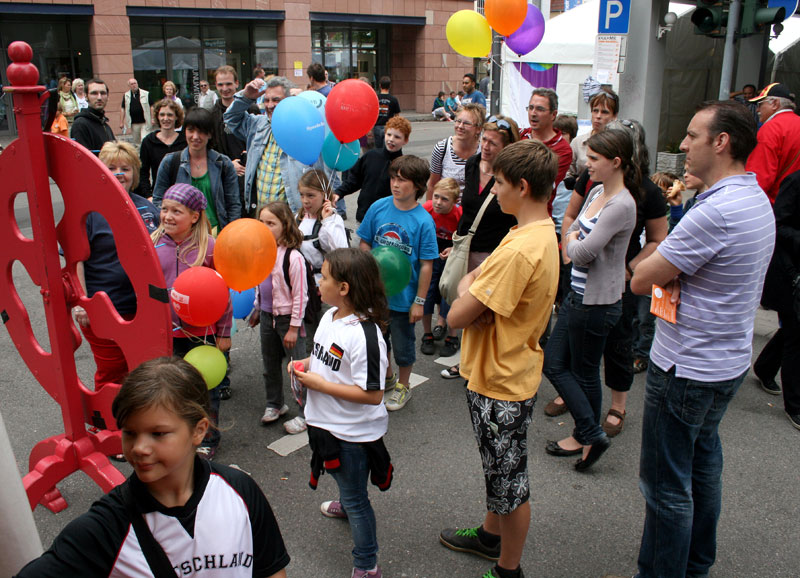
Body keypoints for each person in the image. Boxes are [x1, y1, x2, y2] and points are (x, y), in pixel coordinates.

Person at [629, 100, 775, 578]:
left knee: (665, 486)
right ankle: (695, 565)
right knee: (702, 467)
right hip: (724, 362)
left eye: (692, 136)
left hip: (686, 366)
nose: (683, 146)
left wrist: (649, 262)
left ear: (722, 142)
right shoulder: (753, 198)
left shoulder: (717, 211)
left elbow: (641, 277)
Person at [14, 357, 290, 578]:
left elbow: (271, 570)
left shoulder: (240, 490)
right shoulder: (105, 528)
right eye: (130, 432)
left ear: (199, 431)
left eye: (158, 434)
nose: (139, 448)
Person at [438, 139, 560, 578]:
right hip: (511, 368)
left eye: (501, 183)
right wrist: (476, 289)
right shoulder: (534, 230)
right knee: (498, 469)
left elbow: (455, 312)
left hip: (501, 381)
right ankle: (490, 536)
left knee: (510, 481)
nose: (493, 190)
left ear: (523, 186)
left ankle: (508, 568)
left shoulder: (519, 249)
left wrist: (473, 291)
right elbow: (474, 284)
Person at [542, 128, 638, 471]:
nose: (587, 164)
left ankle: (588, 435)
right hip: (578, 297)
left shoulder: (621, 204)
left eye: (594, 159)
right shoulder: (597, 190)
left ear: (616, 162)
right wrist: (574, 237)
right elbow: (575, 236)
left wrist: (570, 239)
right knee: (556, 363)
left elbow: (581, 253)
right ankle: (590, 432)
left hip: (596, 304)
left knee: (581, 372)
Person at [293, 248, 391, 578]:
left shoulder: (365, 335)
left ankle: (367, 564)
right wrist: (307, 365)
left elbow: (373, 394)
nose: (318, 281)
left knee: (357, 499)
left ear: (345, 287)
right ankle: (347, 499)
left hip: (351, 435)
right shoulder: (329, 315)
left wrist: (319, 385)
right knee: (346, 483)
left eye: (324, 276)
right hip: (326, 424)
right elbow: (324, 359)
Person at [152, 183, 232, 460]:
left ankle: (208, 437)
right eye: (164, 209)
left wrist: (224, 332)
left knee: (205, 390)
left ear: (195, 216)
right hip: (165, 334)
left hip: (202, 335)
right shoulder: (152, 243)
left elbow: (224, 294)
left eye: (177, 211)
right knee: (170, 390)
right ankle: (178, 435)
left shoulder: (209, 248)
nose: (168, 216)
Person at [72, 142, 159, 389]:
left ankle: (136, 423)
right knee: (112, 372)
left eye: (125, 168)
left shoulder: (146, 207)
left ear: (135, 173)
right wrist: (82, 303)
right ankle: (108, 425)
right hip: (104, 309)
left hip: (144, 307)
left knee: (143, 371)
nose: (120, 173)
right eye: (112, 168)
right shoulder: (86, 210)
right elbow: (74, 260)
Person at [440, 115, 520, 380]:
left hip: (494, 252)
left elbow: (514, 217)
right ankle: (466, 362)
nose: (486, 146)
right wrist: (457, 243)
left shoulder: (511, 175)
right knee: (467, 309)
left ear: (506, 147)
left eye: (493, 143)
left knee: (487, 313)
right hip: (469, 248)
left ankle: (482, 367)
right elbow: (467, 210)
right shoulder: (473, 163)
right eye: (484, 139)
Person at [357, 156, 438, 411]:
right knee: (378, 341)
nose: (395, 184)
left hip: (405, 299)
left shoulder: (423, 220)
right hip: (376, 294)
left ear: (417, 186)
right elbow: (365, 242)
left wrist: (420, 302)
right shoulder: (379, 207)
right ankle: (388, 377)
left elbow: (426, 264)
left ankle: (404, 386)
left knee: (404, 346)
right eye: (393, 178)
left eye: (402, 180)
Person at [225, 75, 324, 217]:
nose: (270, 105)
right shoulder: (258, 124)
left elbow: (324, 174)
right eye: (266, 100)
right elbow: (230, 119)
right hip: (260, 215)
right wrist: (246, 97)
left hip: (291, 218)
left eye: (276, 100)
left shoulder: (304, 129)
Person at [251, 202, 310, 433]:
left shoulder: (293, 258)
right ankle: (275, 404)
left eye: (271, 223)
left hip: (288, 321)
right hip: (267, 317)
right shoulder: (260, 252)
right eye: (262, 222)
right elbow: (260, 283)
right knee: (270, 364)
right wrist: (257, 308)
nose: (264, 227)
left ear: (285, 226)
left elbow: (300, 296)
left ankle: (306, 413)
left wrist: (294, 327)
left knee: (297, 368)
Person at [756, 169, 800, 427]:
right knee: (796, 330)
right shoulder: (794, 182)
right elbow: (778, 225)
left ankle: (764, 366)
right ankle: (794, 404)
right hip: (788, 269)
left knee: (795, 329)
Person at [153, 107, 241, 232]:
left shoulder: (223, 164)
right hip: (182, 234)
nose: (195, 136)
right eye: (191, 130)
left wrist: (231, 233)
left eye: (201, 132)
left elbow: (233, 204)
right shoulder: (170, 162)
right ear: (185, 132)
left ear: (210, 134)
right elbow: (158, 200)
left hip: (216, 233)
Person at [334, 116, 411, 222]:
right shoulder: (370, 156)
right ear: (384, 134)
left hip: (389, 221)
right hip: (364, 217)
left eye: (397, 137)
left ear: (405, 140)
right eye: (389, 134)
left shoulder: (405, 166)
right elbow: (354, 180)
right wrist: (338, 193)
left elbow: (408, 197)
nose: (391, 139)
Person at [420, 178, 462, 357]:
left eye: (445, 199)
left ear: (454, 201)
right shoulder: (426, 209)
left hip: (452, 255)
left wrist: (454, 248)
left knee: (450, 294)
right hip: (431, 253)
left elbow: (465, 236)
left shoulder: (459, 214)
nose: (438, 202)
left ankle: (452, 336)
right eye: (436, 197)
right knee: (427, 293)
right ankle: (427, 334)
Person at [520, 88, 573, 214]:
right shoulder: (519, 135)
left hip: (535, 215)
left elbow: (540, 186)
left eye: (540, 109)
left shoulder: (562, 149)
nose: (533, 113)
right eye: (531, 107)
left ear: (553, 115)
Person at [744, 82, 800, 203]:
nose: (757, 109)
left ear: (774, 104)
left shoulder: (771, 128)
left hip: (776, 205)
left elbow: (759, 178)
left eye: (760, 104)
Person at [210, 65, 252, 220]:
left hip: (249, 175)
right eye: (220, 85)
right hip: (225, 176)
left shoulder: (251, 109)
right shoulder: (212, 115)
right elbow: (210, 149)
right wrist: (227, 163)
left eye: (228, 84)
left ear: (236, 83)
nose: (225, 88)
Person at [426, 103, 484, 199]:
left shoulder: (483, 150)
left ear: (478, 129)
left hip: (473, 211)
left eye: (466, 123)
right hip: (446, 210)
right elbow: (432, 185)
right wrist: (429, 211)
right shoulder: (442, 148)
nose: (460, 126)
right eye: (458, 121)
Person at [564, 88, 619, 187]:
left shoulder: (619, 144)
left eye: (604, 112)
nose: (598, 116)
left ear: (614, 116)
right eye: (595, 111)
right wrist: (578, 182)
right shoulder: (578, 142)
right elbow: (567, 175)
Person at [139, 98, 187, 198]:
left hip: (183, 195)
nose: (165, 118)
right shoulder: (148, 142)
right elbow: (143, 172)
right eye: (162, 115)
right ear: (157, 116)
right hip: (159, 196)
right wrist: (148, 196)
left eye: (170, 115)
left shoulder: (185, 141)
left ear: (176, 117)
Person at [71, 78, 115, 153]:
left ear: (108, 97)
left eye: (103, 93)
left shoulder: (104, 124)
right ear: (86, 96)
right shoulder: (80, 124)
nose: (99, 97)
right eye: (94, 93)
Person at [119, 78, 153, 147]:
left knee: (144, 139)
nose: (134, 85)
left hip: (145, 122)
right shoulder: (126, 96)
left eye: (135, 83)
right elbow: (123, 108)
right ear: (129, 86)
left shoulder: (145, 94)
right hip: (134, 123)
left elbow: (152, 106)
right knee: (137, 143)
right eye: (132, 84)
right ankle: (140, 155)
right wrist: (121, 122)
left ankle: (145, 155)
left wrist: (152, 118)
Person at [373, 75, 400, 144]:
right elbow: (397, 116)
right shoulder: (393, 99)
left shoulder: (375, 98)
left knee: (378, 148)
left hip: (377, 126)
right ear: (390, 86)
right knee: (387, 148)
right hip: (388, 126)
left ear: (380, 85)